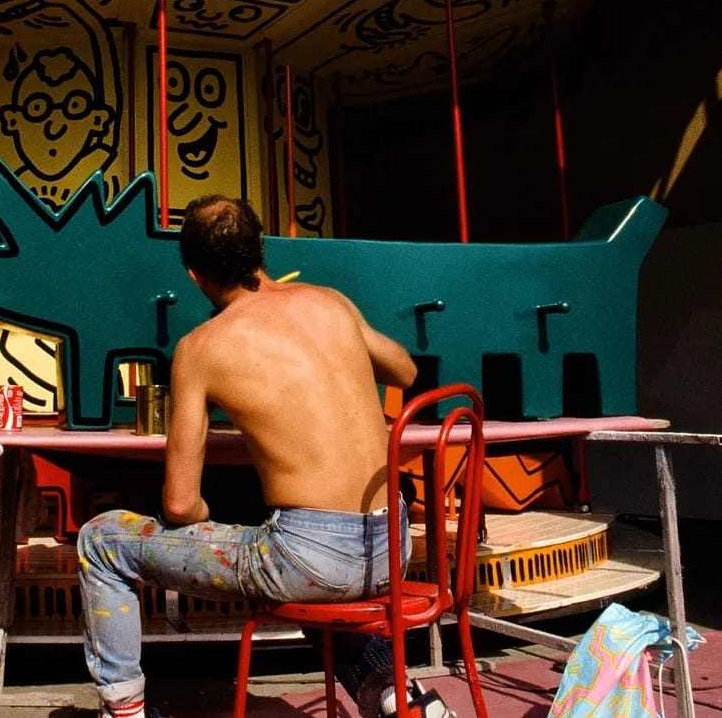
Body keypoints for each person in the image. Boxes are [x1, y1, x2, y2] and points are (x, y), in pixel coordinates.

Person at [76, 195, 452, 718]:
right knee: (310, 574)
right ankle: (397, 695)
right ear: (260, 250)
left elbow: (180, 504)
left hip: (310, 558)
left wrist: (204, 519)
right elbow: (406, 372)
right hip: (392, 549)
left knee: (101, 540)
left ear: (194, 275)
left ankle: (124, 712)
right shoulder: (331, 302)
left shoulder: (201, 348)